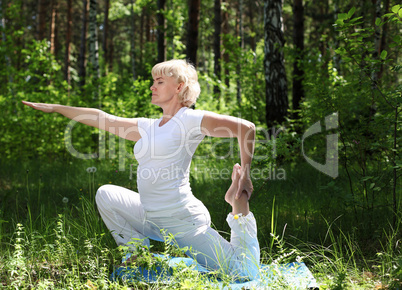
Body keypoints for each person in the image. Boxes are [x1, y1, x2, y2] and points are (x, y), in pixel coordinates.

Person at [22, 59, 260, 279]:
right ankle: (136, 256)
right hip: (151, 216)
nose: (152, 87)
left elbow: (246, 128)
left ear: (179, 87)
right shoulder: (148, 126)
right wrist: (55, 107)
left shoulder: (191, 119)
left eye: (159, 82)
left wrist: (245, 177)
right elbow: (102, 118)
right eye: (152, 82)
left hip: (181, 220)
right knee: (106, 194)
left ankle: (239, 207)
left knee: (243, 272)